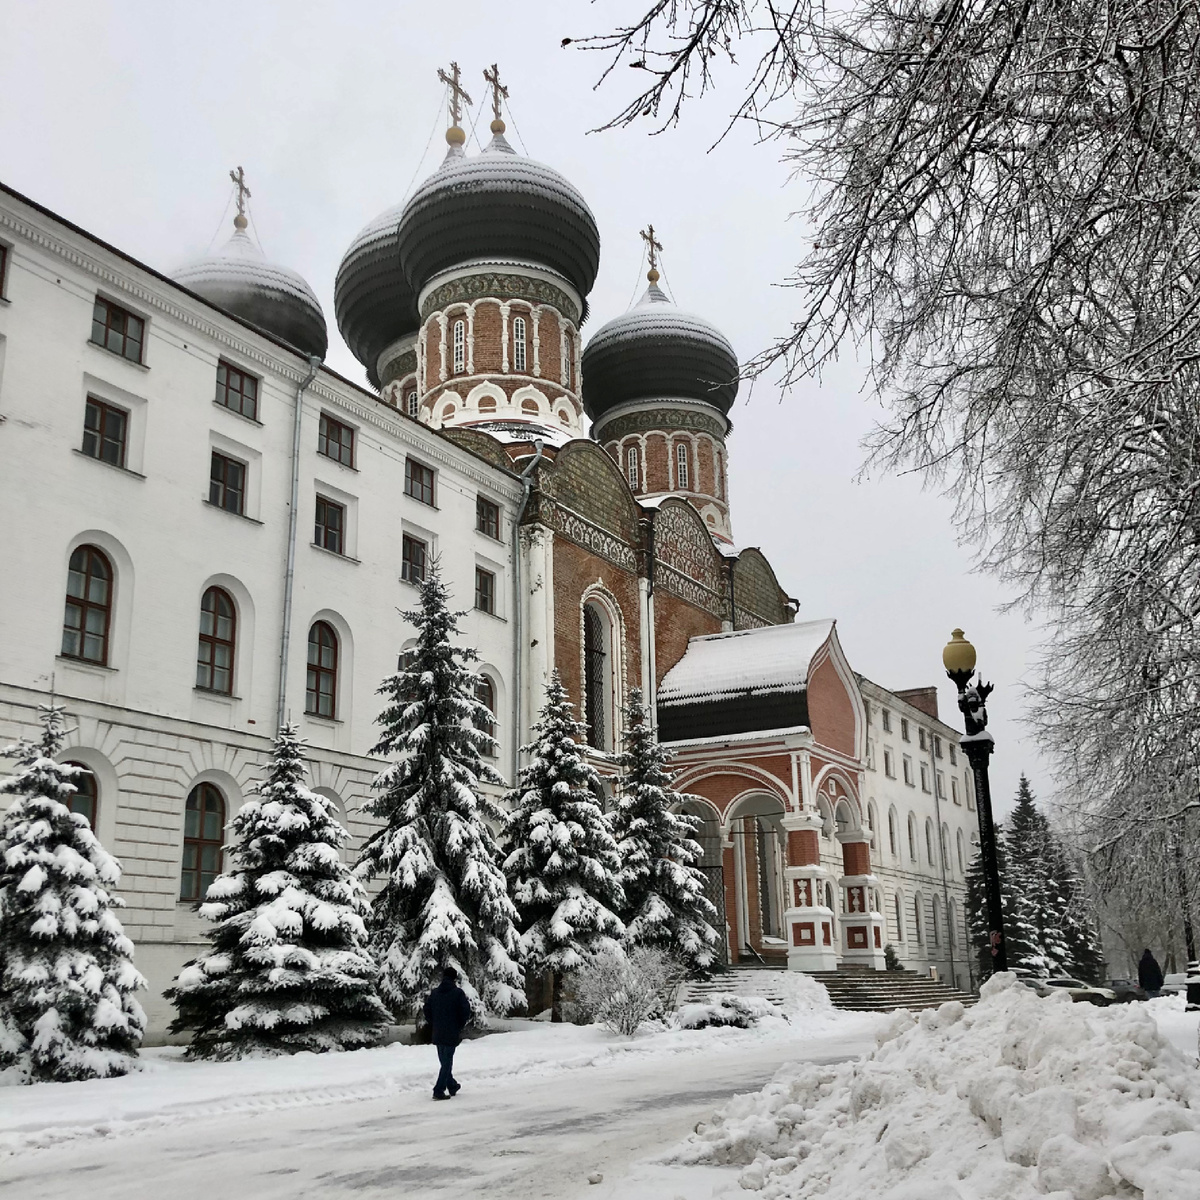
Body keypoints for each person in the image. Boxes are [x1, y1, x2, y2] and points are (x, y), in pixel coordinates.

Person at [423, 966, 472, 1100]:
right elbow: (465, 1011)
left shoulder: (435, 993)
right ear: (454, 978)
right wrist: (459, 1025)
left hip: (438, 1031)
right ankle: (438, 1090)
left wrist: (434, 1022)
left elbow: (426, 1009)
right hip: (451, 1031)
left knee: (444, 1060)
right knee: (447, 1062)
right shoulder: (458, 993)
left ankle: (452, 1085)